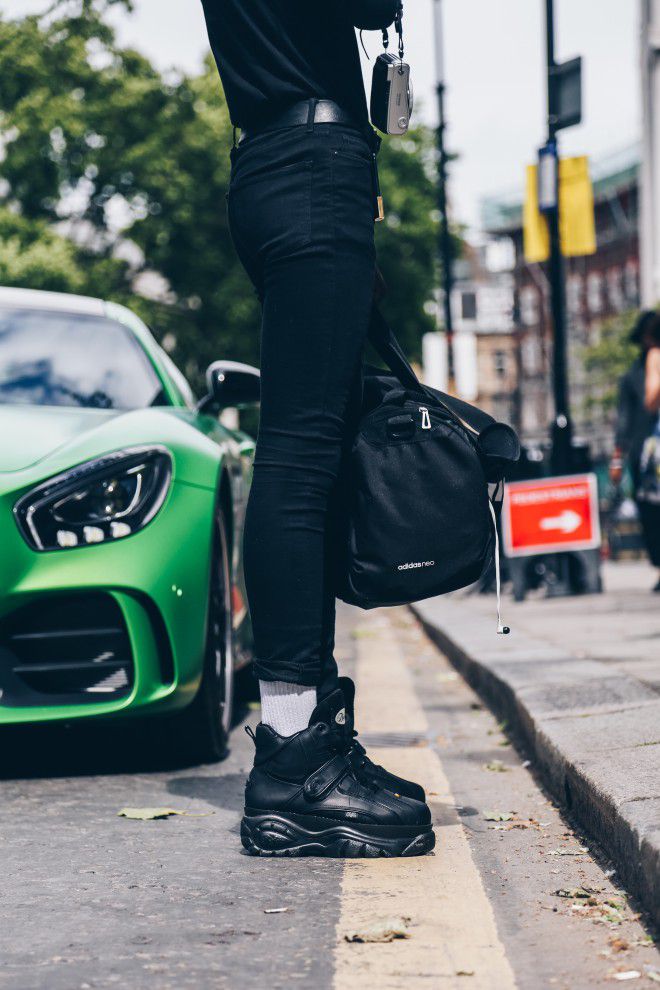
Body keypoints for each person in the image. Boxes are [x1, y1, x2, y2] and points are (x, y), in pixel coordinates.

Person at [199, 1, 434, 857]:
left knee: (305, 453)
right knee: (300, 458)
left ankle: (304, 734)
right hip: (309, 163)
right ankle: (296, 756)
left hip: (271, 160)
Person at [612, 310, 660, 589]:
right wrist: (617, 458)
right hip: (644, 454)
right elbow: (625, 419)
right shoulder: (632, 376)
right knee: (649, 513)